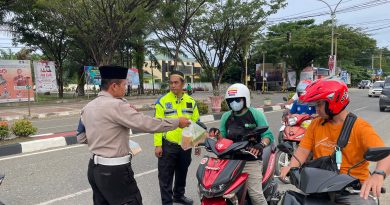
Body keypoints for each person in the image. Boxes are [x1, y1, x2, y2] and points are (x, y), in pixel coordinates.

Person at [77, 65, 191, 205]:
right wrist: (176, 122)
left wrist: (106, 139)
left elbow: (81, 137)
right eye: (124, 85)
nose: (125, 88)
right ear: (114, 86)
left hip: (94, 170)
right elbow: (146, 123)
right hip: (115, 172)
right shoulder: (117, 106)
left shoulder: (87, 107)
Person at [280, 79, 390, 204]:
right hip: (320, 186)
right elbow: (303, 151)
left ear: (333, 102)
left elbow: (386, 157)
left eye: (319, 104)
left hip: (352, 190)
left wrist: (378, 175)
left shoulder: (360, 127)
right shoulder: (316, 124)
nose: (316, 108)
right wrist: (291, 166)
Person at [210, 83, 274, 205]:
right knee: (218, 190)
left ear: (245, 99)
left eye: (237, 100)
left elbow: (268, 135)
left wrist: (261, 145)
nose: (234, 103)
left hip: (250, 159)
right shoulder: (226, 116)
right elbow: (223, 137)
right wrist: (217, 134)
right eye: (231, 100)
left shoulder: (255, 114)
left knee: (256, 196)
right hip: (230, 160)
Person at [154, 71, 200, 205]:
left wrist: (196, 144)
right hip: (168, 144)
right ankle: (167, 201)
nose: (173, 85)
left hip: (186, 144)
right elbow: (157, 125)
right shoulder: (162, 102)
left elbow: (196, 123)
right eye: (171, 83)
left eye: (176, 82)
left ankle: (179, 195)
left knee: (182, 172)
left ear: (183, 84)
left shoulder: (191, 102)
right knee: (165, 176)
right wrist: (158, 145)